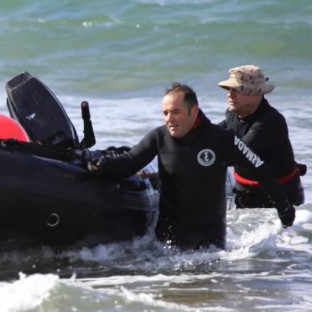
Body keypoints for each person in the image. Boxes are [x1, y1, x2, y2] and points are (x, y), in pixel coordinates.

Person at [90, 83, 295, 250]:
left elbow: (259, 168)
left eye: (176, 112)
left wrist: (283, 206)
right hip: (167, 239)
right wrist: (103, 165)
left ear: (193, 111)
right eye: (165, 113)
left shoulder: (222, 139)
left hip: (209, 243)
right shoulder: (159, 137)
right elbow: (130, 162)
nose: (169, 119)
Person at [216, 65, 305, 208]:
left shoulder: (270, 121)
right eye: (229, 89)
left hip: (280, 201)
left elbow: (237, 155)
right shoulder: (232, 114)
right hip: (243, 192)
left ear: (257, 94)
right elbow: (211, 134)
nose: (230, 95)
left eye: (237, 90)